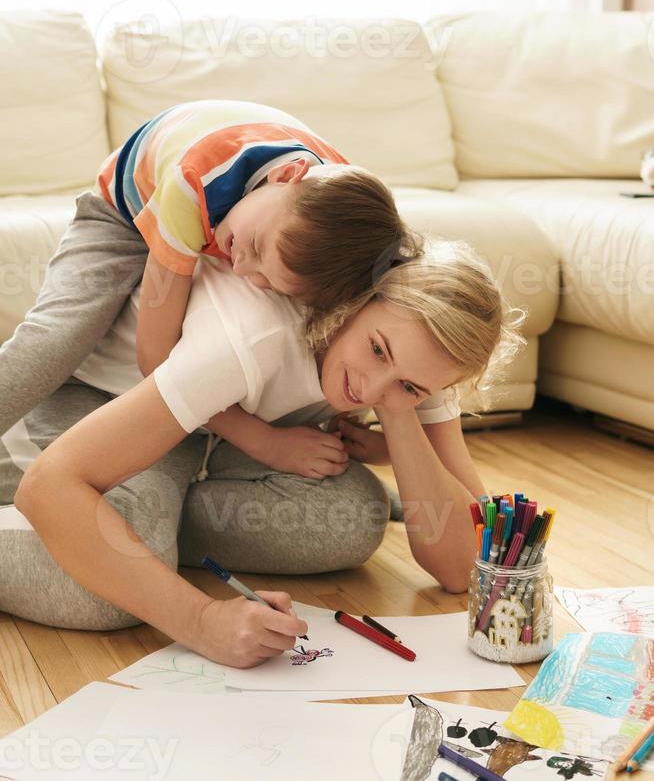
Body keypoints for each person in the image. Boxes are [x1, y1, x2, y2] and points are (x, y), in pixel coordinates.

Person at [2, 240, 524, 669]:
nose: (366, 389)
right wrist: (202, 620)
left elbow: (465, 565)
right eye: (377, 350)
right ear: (356, 299)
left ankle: (132, 529)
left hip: (213, 434)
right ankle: (118, 528)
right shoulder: (253, 334)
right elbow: (52, 484)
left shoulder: (422, 352)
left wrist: (400, 404)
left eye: (413, 385)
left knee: (353, 516)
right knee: (100, 597)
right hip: (110, 406)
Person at [0, 98, 418, 438]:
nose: (241, 268)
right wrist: (261, 440)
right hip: (124, 212)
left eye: (267, 282)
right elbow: (156, 359)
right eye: (254, 248)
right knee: (58, 337)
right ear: (287, 176)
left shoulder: (348, 225)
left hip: (225, 205)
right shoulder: (195, 182)